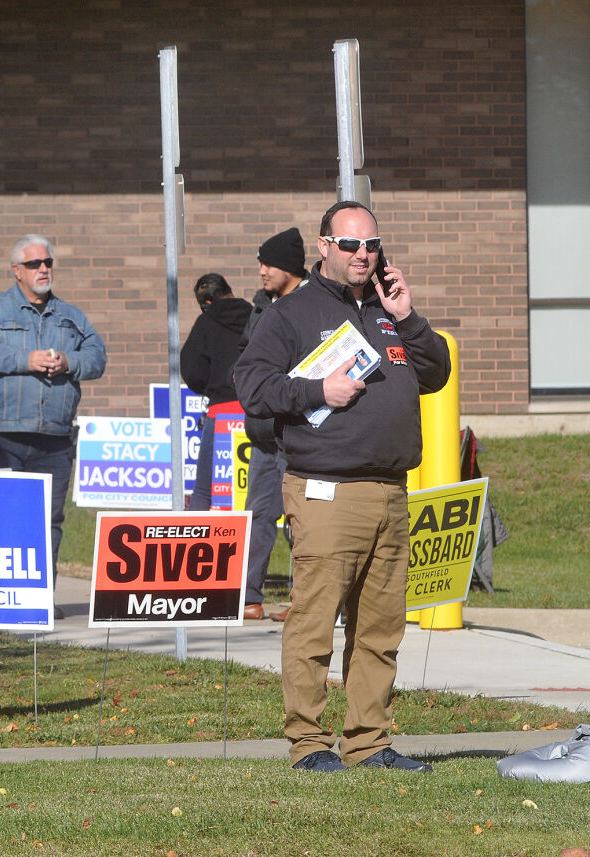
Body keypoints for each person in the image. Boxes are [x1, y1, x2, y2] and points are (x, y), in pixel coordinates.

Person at [233, 201, 451, 773]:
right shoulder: (292, 313)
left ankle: (369, 742)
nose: (363, 255)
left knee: (380, 628)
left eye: (371, 245)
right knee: (314, 624)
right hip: (325, 490)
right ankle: (308, 743)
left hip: (390, 491)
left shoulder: (388, 311)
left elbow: (436, 373)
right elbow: (251, 385)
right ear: (324, 247)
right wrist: (313, 392)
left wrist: (407, 317)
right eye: (350, 245)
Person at [0, 233, 107, 619]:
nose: (44, 269)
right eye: (34, 264)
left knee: (48, 521)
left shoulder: (71, 316)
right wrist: (26, 359)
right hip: (1, 432)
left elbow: (97, 356)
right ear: (16, 271)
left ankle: (40, 598)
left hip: (54, 436)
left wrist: (69, 363)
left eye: (48, 263)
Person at [236, 228, 309, 620]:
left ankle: (304, 602)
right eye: (260, 263)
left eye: (268, 264)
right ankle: (250, 597)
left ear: (289, 268)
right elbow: (246, 353)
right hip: (263, 432)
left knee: (303, 521)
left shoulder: (314, 302)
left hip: (299, 431)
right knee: (258, 514)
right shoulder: (261, 304)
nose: (262, 272)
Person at [179, 273, 252, 513]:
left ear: (206, 303)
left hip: (221, 411)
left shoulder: (206, 321)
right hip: (256, 411)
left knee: (204, 491)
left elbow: (191, 369)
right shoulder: (255, 314)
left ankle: (192, 547)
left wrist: (208, 386)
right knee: (256, 492)